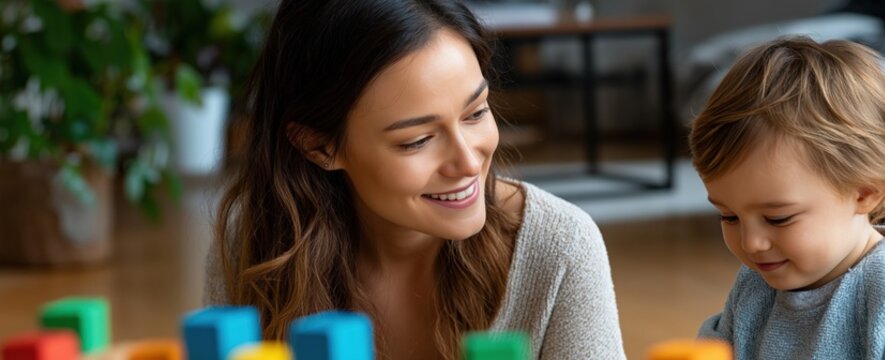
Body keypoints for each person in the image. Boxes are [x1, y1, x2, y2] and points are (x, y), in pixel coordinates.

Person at [204, 1, 625, 359]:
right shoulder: (257, 244)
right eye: (417, 140)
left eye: (476, 112)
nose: (466, 161)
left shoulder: (559, 247)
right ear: (318, 146)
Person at [689, 36, 885, 359]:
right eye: (729, 216)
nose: (751, 242)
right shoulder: (756, 285)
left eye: (778, 218)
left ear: (864, 192)